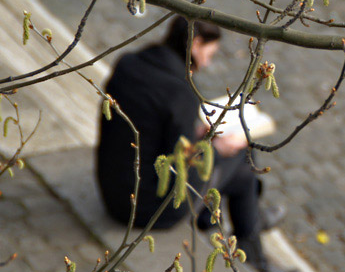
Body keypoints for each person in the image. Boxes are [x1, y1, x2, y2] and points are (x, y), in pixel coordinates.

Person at [96, 17, 288, 272]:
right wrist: (218, 149)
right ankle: (252, 250)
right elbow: (181, 165)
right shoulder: (180, 92)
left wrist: (194, 132)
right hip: (147, 208)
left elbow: (154, 130)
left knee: (236, 163)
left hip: (112, 188)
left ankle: (228, 225)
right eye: (209, 54)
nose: (207, 62)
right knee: (243, 160)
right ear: (196, 44)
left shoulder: (129, 63)